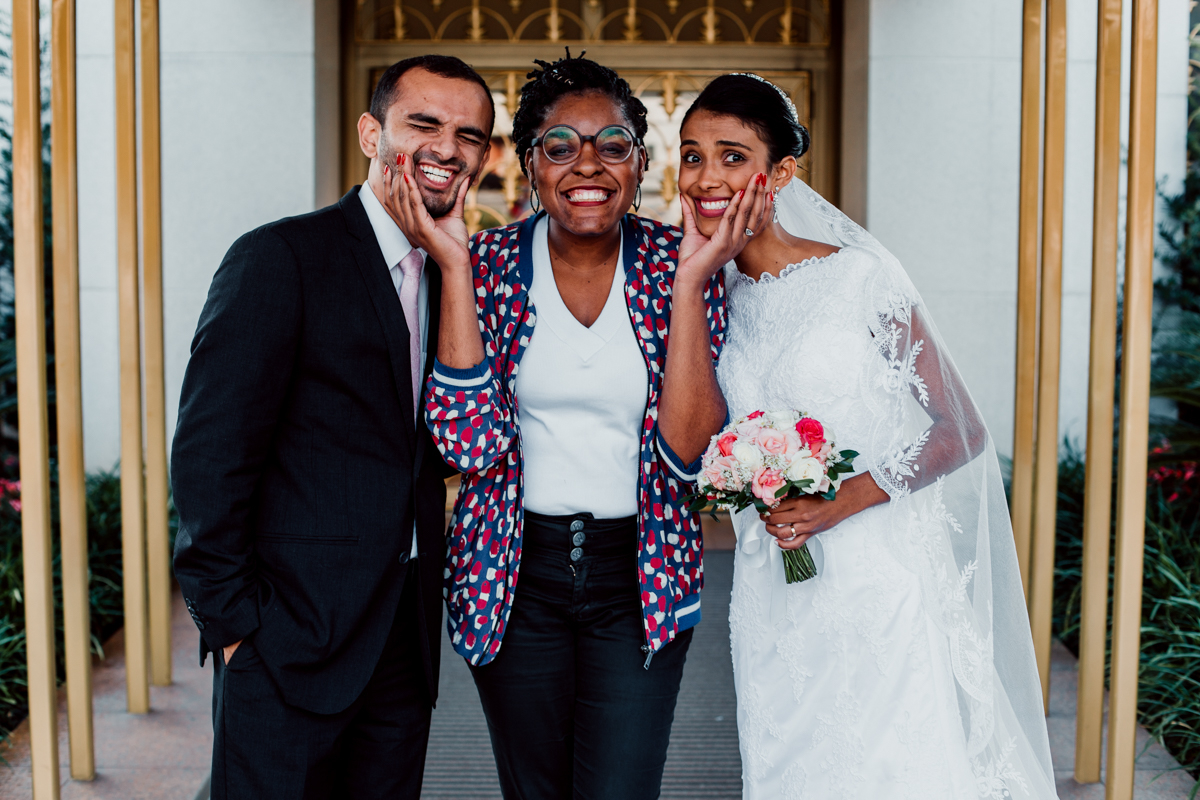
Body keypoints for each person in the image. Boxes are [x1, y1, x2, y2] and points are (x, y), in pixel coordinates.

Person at [380, 52, 768, 799]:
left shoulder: (678, 264)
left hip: (642, 578)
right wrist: (456, 274)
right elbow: (467, 444)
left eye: (612, 144)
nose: (586, 163)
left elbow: (689, 454)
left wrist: (690, 284)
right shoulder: (483, 263)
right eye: (560, 144)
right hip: (513, 576)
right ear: (530, 166)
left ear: (638, 162)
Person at [676, 73, 1060, 799]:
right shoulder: (704, 294)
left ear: (781, 172)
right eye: (692, 156)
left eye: (732, 156)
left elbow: (960, 428)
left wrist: (841, 500)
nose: (706, 176)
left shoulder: (858, 280)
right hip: (772, 589)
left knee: (886, 767)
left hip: (870, 577)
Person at [170, 55, 494, 799]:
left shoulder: (454, 275)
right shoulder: (281, 258)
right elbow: (210, 454)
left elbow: (440, 447)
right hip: (287, 638)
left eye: (469, 134)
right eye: (425, 124)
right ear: (370, 132)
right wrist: (235, 629)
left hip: (402, 645)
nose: (448, 148)